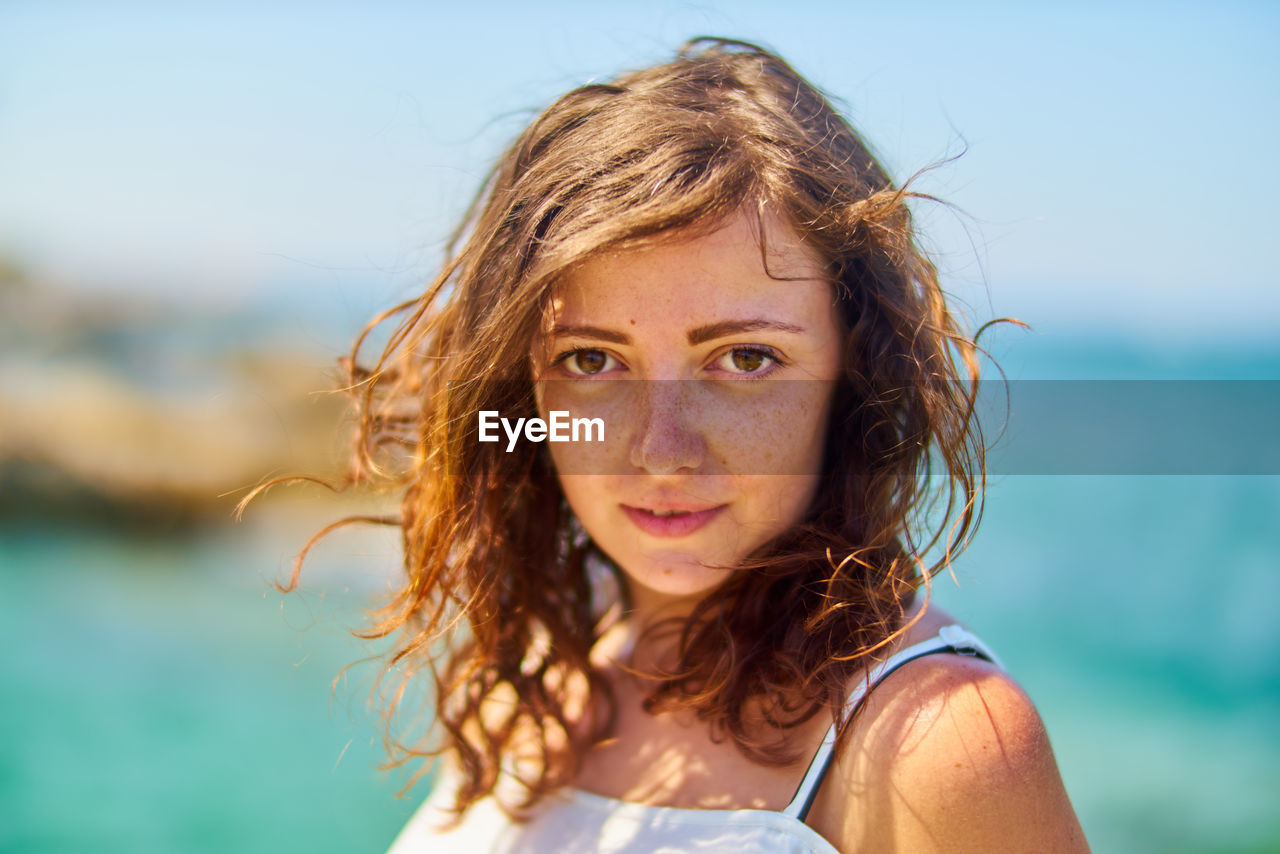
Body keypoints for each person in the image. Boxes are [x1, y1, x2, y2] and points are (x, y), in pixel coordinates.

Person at [299, 38, 1088, 853]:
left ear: (855, 371)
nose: (661, 450)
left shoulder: (937, 745)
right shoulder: (536, 686)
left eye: (746, 359)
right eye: (593, 360)